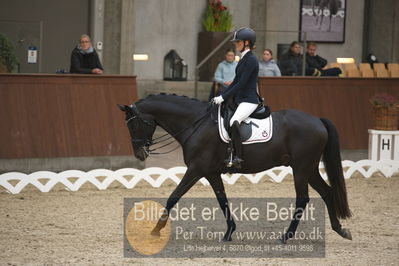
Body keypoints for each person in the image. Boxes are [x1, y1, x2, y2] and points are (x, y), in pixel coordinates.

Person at [212, 27, 260, 168]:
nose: (235, 44)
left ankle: (238, 156)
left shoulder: (251, 60)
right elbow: (235, 82)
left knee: (234, 121)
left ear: (247, 42)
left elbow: (241, 83)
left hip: (249, 100)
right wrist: (222, 95)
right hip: (240, 99)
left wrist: (224, 97)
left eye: (238, 42)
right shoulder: (243, 59)